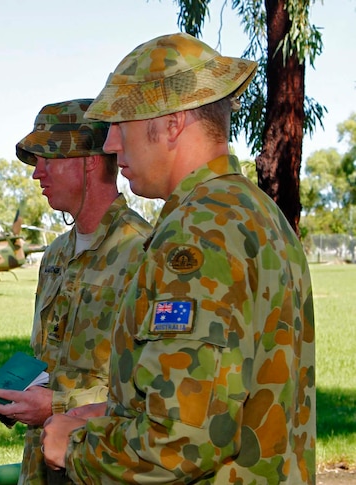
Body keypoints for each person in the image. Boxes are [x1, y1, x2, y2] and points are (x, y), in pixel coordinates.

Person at [41, 32, 316, 484]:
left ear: (171, 123)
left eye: (121, 123)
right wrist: (114, 413)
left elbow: (182, 439)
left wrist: (72, 449)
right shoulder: (255, 212)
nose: (110, 144)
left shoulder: (198, 232)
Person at [0, 99, 151, 484]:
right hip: (43, 465)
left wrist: (55, 406)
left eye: (48, 158)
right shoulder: (56, 254)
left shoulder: (144, 252)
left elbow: (154, 394)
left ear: (90, 160)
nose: (37, 173)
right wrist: (0, 395)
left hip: (106, 465)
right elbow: (49, 369)